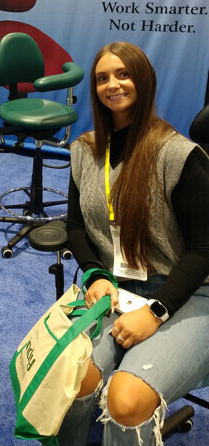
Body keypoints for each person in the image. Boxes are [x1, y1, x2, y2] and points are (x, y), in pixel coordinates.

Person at [59, 41, 209, 446]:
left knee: (125, 401)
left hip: (187, 292)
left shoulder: (179, 155)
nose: (113, 84)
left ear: (143, 80)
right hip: (116, 287)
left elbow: (204, 250)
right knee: (69, 373)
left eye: (123, 74)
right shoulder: (84, 150)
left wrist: (156, 311)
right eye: (102, 78)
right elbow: (75, 226)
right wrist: (94, 275)